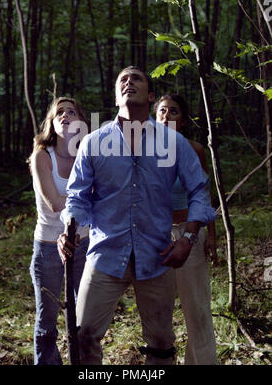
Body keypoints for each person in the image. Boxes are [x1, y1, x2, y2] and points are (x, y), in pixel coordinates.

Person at [57, 66, 216, 365]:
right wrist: (69, 229)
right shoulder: (93, 143)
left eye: (137, 78)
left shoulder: (174, 143)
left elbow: (199, 192)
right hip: (105, 254)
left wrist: (188, 238)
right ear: (116, 96)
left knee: (160, 342)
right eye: (123, 80)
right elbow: (77, 196)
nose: (129, 82)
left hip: (157, 256)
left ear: (151, 95)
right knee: (83, 333)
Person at [154, 93, 218, 365]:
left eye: (174, 111)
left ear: (183, 120)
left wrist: (211, 235)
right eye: (162, 111)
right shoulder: (142, 151)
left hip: (189, 235)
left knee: (197, 309)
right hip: (155, 236)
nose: (167, 116)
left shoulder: (194, 150)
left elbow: (202, 196)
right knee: (159, 312)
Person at [29, 96, 89, 365]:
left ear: (81, 122)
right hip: (48, 247)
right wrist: (86, 199)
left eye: (71, 112)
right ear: (51, 124)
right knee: (47, 323)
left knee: (85, 318)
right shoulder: (42, 156)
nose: (65, 116)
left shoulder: (87, 154)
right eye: (59, 113)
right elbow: (54, 203)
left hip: (85, 244)